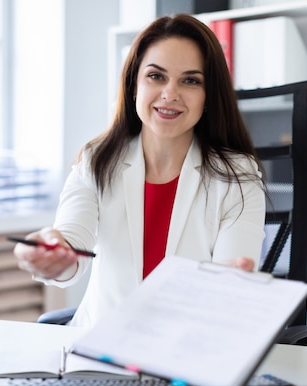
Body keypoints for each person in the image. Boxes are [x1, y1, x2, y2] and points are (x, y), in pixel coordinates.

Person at [13, 14, 266, 328]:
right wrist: (50, 258)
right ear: (134, 85)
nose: (170, 93)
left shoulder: (238, 177)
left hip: (186, 354)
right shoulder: (97, 160)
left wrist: (232, 284)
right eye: (156, 76)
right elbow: (69, 249)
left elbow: (229, 283)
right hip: (101, 352)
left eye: (190, 80)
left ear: (208, 97)